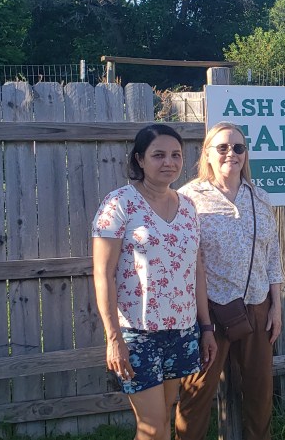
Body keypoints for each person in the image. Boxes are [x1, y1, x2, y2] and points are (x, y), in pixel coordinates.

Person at [91, 123, 217, 440]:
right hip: (137, 332)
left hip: (181, 330)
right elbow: (103, 273)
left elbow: (197, 269)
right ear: (140, 160)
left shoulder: (188, 207)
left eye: (175, 155)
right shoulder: (119, 203)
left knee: (164, 424)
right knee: (152, 429)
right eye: (158, 155)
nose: (169, 162)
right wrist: (113, 338)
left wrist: (205, 328)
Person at [175, 122, 285, 440]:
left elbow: (272, 254)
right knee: (196, 395)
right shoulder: (188, 199)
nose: (230, 154)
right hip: (208, 312)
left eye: (238, 148)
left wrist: (276, 306)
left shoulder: (260, 198)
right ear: (207, 153)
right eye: (222, 147)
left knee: (260, 393)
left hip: (256, 307)